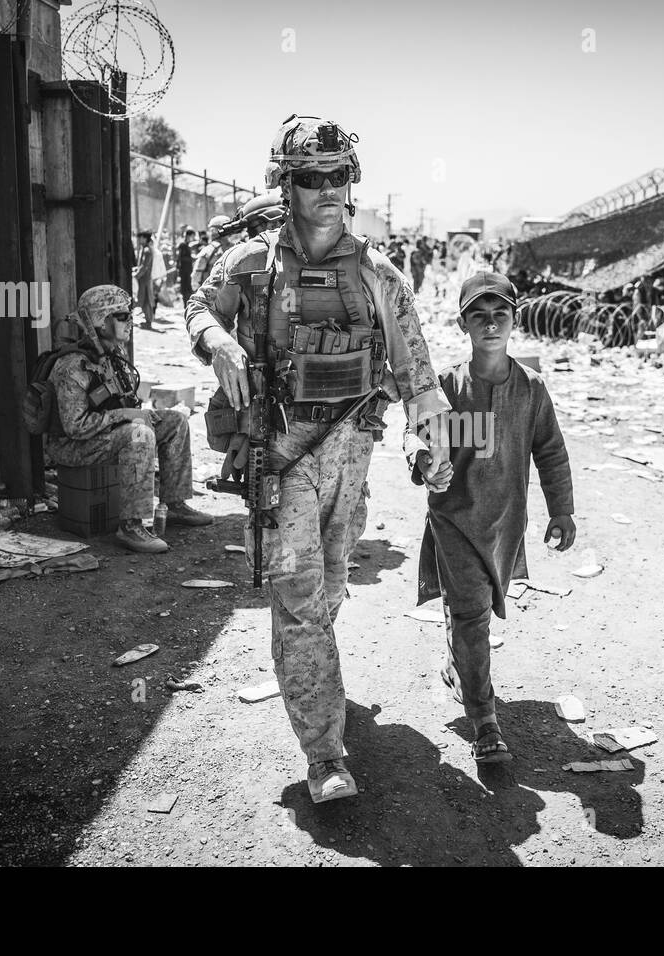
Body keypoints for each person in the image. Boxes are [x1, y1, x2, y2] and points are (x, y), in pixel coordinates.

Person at [184, 114, 451, 803]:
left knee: (331, 587)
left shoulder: (377, 274)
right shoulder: (251, 265)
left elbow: (418, 376)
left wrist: (432, 445)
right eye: (311, 178)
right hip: (281, 454)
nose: (327, 189)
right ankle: (325, 754)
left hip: (352, 455)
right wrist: (220, 343)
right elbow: (198, 308)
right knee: (298, 597)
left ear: (351, 182)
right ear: (288, 185)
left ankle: (313, 679)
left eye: (338, 175)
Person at [409, 272, 575, 764]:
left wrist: (561, 509)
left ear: (514, 320)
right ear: (463, 323)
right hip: (454, 522)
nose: (490, 323)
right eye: (478, 315)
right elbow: (417, 435)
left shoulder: (532, 389)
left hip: (505, 526)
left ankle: (459, 665)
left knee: (472, 614)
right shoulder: (446, 388)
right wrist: (422, 460)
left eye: (500, 313)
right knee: (471, 613)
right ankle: (485, 720)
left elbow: (551, 452)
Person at [47, 285, 214, 553]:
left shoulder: (113, 355)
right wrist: (125, 416)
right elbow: (75, 427)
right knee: (139, 434)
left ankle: (174, 504)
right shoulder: (73, 366)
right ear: (102, 321)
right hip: (71, 446)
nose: (130, 323)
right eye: (122, 316)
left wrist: (138, 414)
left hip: (102, 434)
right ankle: (131, 526)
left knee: (175, 422)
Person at [192, 216, 230, 291]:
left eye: (211, 230)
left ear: (215, 231)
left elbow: (196, 275)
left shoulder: (208, 250)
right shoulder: (236, 247)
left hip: (212, 295)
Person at [134, 231, 158, 329]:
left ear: (144, 238)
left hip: (145, 280)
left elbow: (144, 267)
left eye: (140, 238)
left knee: (146, 301)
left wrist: (136, 275)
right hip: (144, 279)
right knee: (144, 301)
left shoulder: (147, 250)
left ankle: (148, 322)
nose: (139, 240)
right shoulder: (145, 249)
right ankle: (147, 321)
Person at [176, 227, 197, 303]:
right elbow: (180, 258)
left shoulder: (187, 245)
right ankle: (186, 304)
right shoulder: (182, 245)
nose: (193, 238)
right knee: (185, 288)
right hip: (184, 271)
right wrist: (191, 258)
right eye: (192, 236)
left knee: (188, 288)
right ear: (189, 236)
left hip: (188, 270)